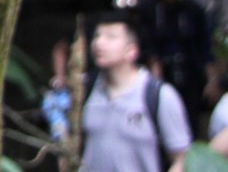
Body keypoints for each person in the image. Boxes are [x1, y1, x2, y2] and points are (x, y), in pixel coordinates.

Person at [81, 10, 192, 172]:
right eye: (97, 36)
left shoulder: (158, 95)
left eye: (110, 37)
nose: (99, 43)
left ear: (132, 51)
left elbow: (182, 158)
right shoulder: (86, 90)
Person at [138, 0, 219, 132]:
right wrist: (153, 64)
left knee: (189, 123)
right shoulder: (147, 10)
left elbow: (205, 46)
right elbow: (143, 42)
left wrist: (211, 79)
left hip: (189, 77)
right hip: (158, 75)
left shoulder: (193, 10)